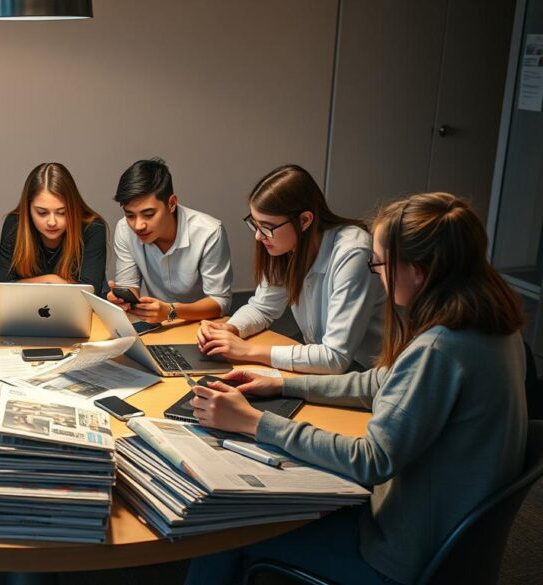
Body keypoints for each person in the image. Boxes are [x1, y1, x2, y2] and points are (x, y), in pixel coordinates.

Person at [184, 193, 527, 585]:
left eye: (379, 263)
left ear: (417, 270)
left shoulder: (440, 348)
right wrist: (281, 384)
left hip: (397, 553)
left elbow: (370, 460)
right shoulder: (490, 324)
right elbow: (381, 381)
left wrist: (253, 423)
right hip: (442, 531)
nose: (377, 273)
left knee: (225, 530)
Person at [198, 164, 384, 373]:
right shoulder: (289, 247)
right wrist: (230, 329)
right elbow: (262, 307)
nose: (258, 236)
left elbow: (335, 357)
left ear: (304, 220)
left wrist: (247, 350)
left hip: (366, 371)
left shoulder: (353, 253)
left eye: (267, 227)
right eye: (255, 224)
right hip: (317, 356)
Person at [108, 158, 232, 323]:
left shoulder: (209, 232)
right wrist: (123, 300)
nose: (138, 225)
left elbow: (220, 301)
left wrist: (171, 311)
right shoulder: (124, 229)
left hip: (202, 325)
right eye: (130, 215)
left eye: (149, 214)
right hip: (157, 325)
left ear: (171, 203)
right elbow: (129, 285)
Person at [0, 162, 108, 294]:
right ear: (28, 209)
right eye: (42, 212)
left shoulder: (92, 228)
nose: (52, 222)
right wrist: (51, 280)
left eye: (62, 212)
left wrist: (25, 283)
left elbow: (90, 292)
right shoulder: (15, 224)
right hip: (24, 312)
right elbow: (2, 287)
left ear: (73, 208)